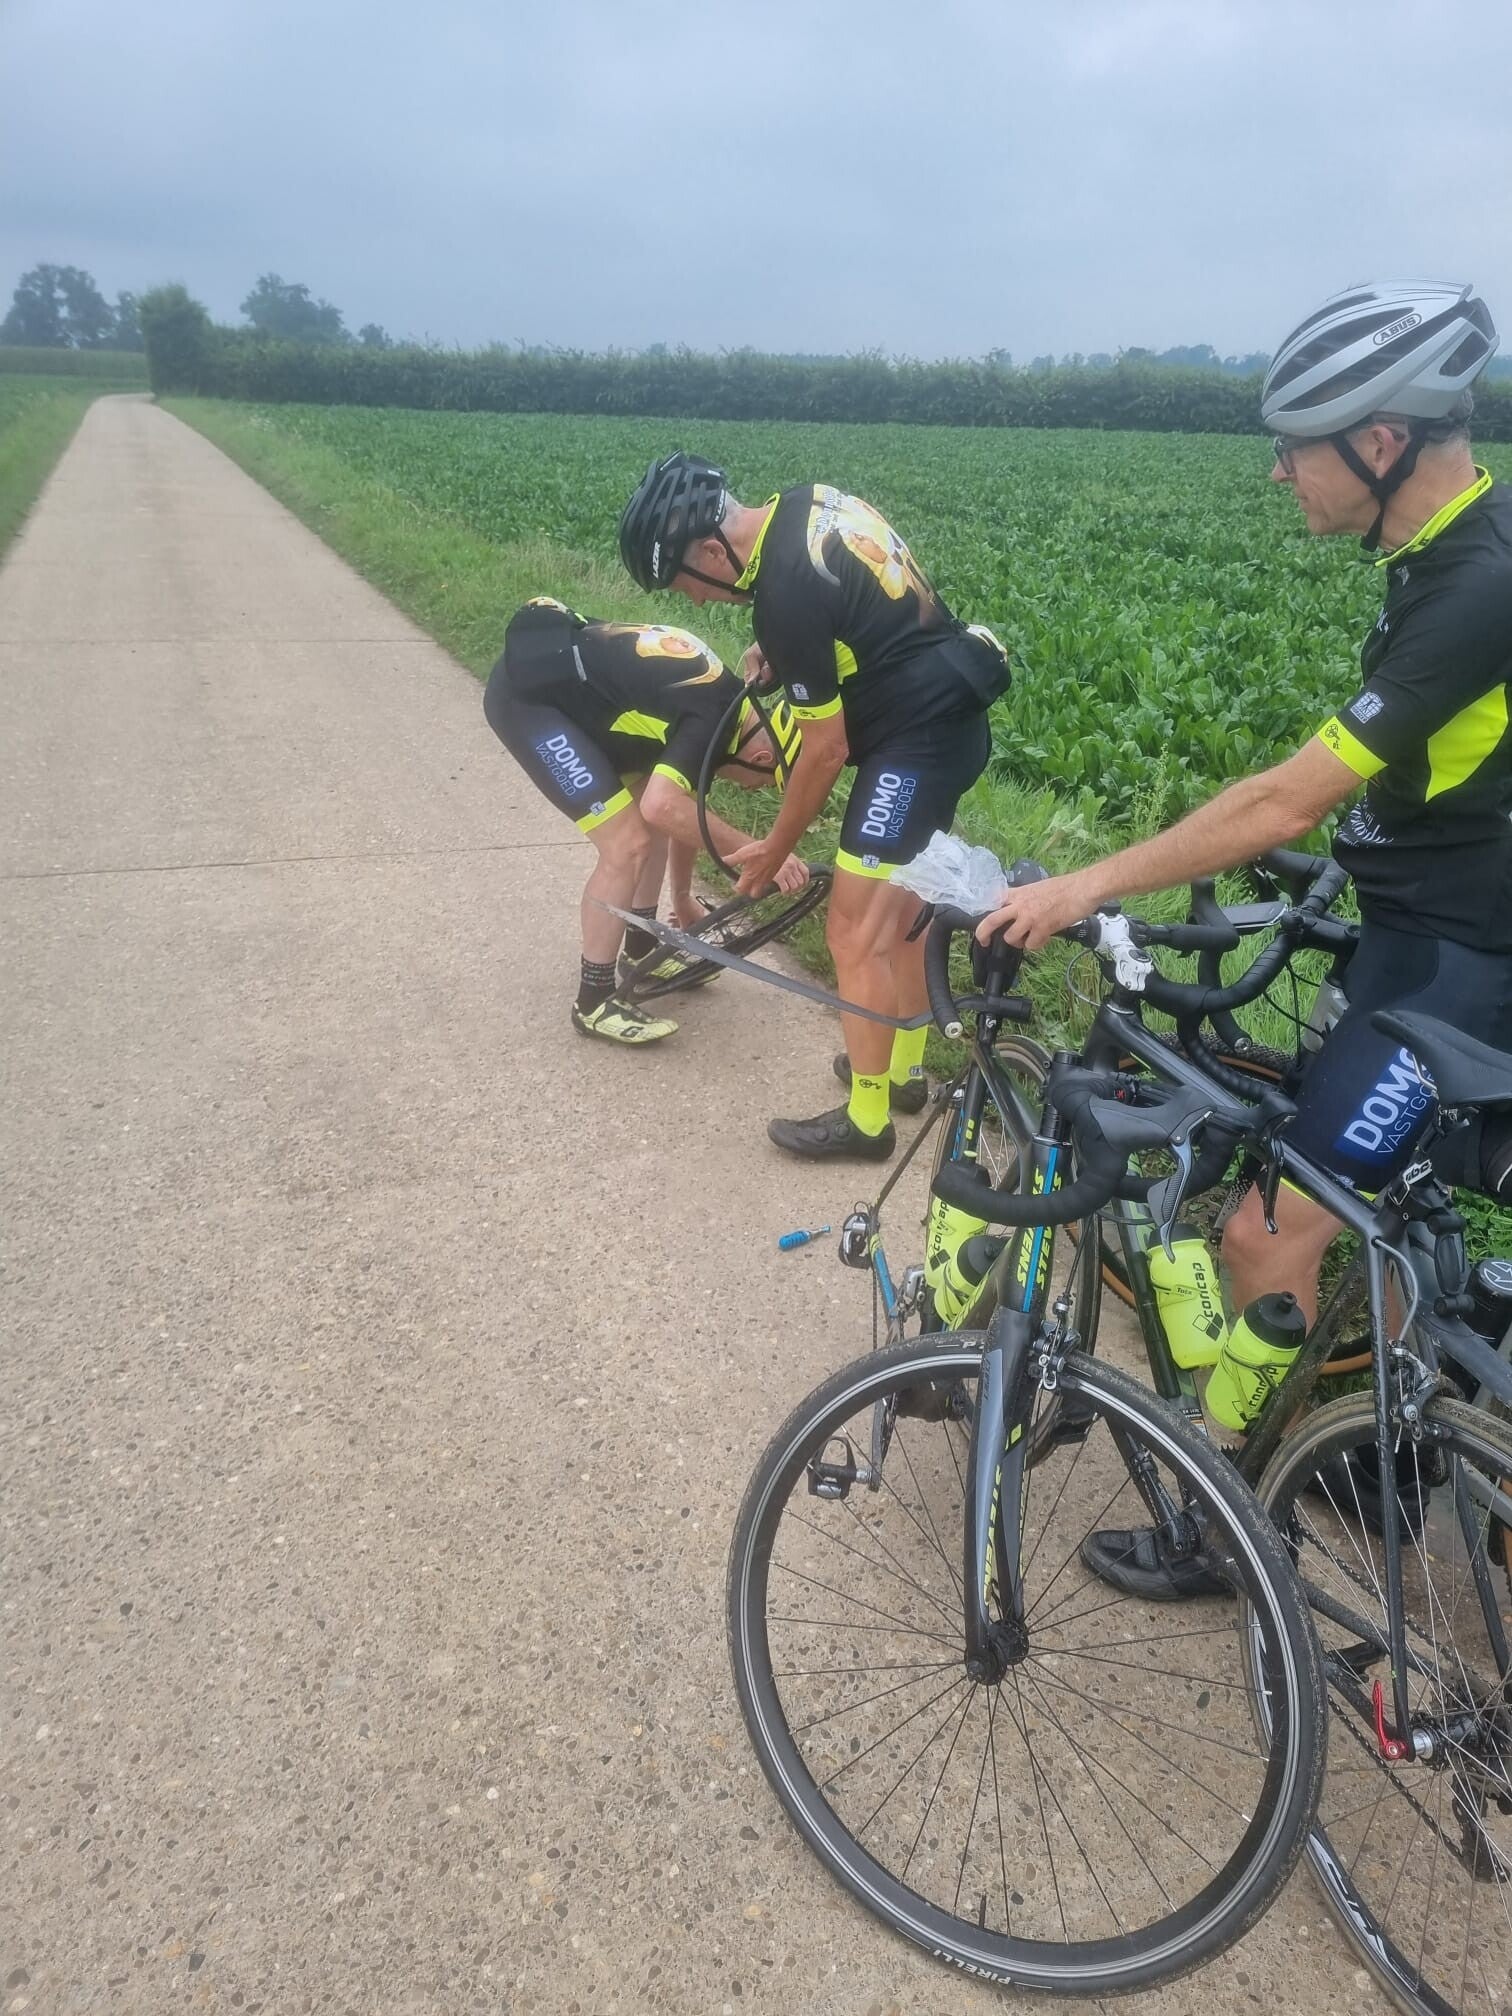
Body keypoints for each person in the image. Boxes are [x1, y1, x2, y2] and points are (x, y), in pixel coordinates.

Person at [975, 278, 1511, 1597]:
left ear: (1378, 442)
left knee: (1267, 1239)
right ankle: (1380, 1449)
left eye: (1295, 448)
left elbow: (1282, 796)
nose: (1279, 474)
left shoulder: (1475, 585)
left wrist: (1085, 885)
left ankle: (1223, 1534)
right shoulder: (1459, 549)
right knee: (1378, 1214)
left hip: (1454, 968)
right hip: (1428, 929)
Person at [618, 455, 1011, 1157]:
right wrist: (783, 649)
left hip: (914, 747)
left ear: (711, 551)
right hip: (953, 718)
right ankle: (902, 1075)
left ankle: (867, 1121)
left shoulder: (783, 593)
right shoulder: (806, 504)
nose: (697, 603)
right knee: (903, 912)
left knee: (852, 932)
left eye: (685, 584)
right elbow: (858, 608)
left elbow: (825, 752)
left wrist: (775, 847)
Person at [484, 596, 807, 1045]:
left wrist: (682, 897)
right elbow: (662, 806)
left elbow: (682, 809)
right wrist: (757, 850)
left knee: (652, 823)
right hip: (528, 704)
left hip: (583, 698)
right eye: (761, 784)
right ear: (762, 758)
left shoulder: (727, 708)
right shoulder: (711, 720)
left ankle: (639, 947)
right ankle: (593, 1002)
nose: (751, 789)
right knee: (627, 845)